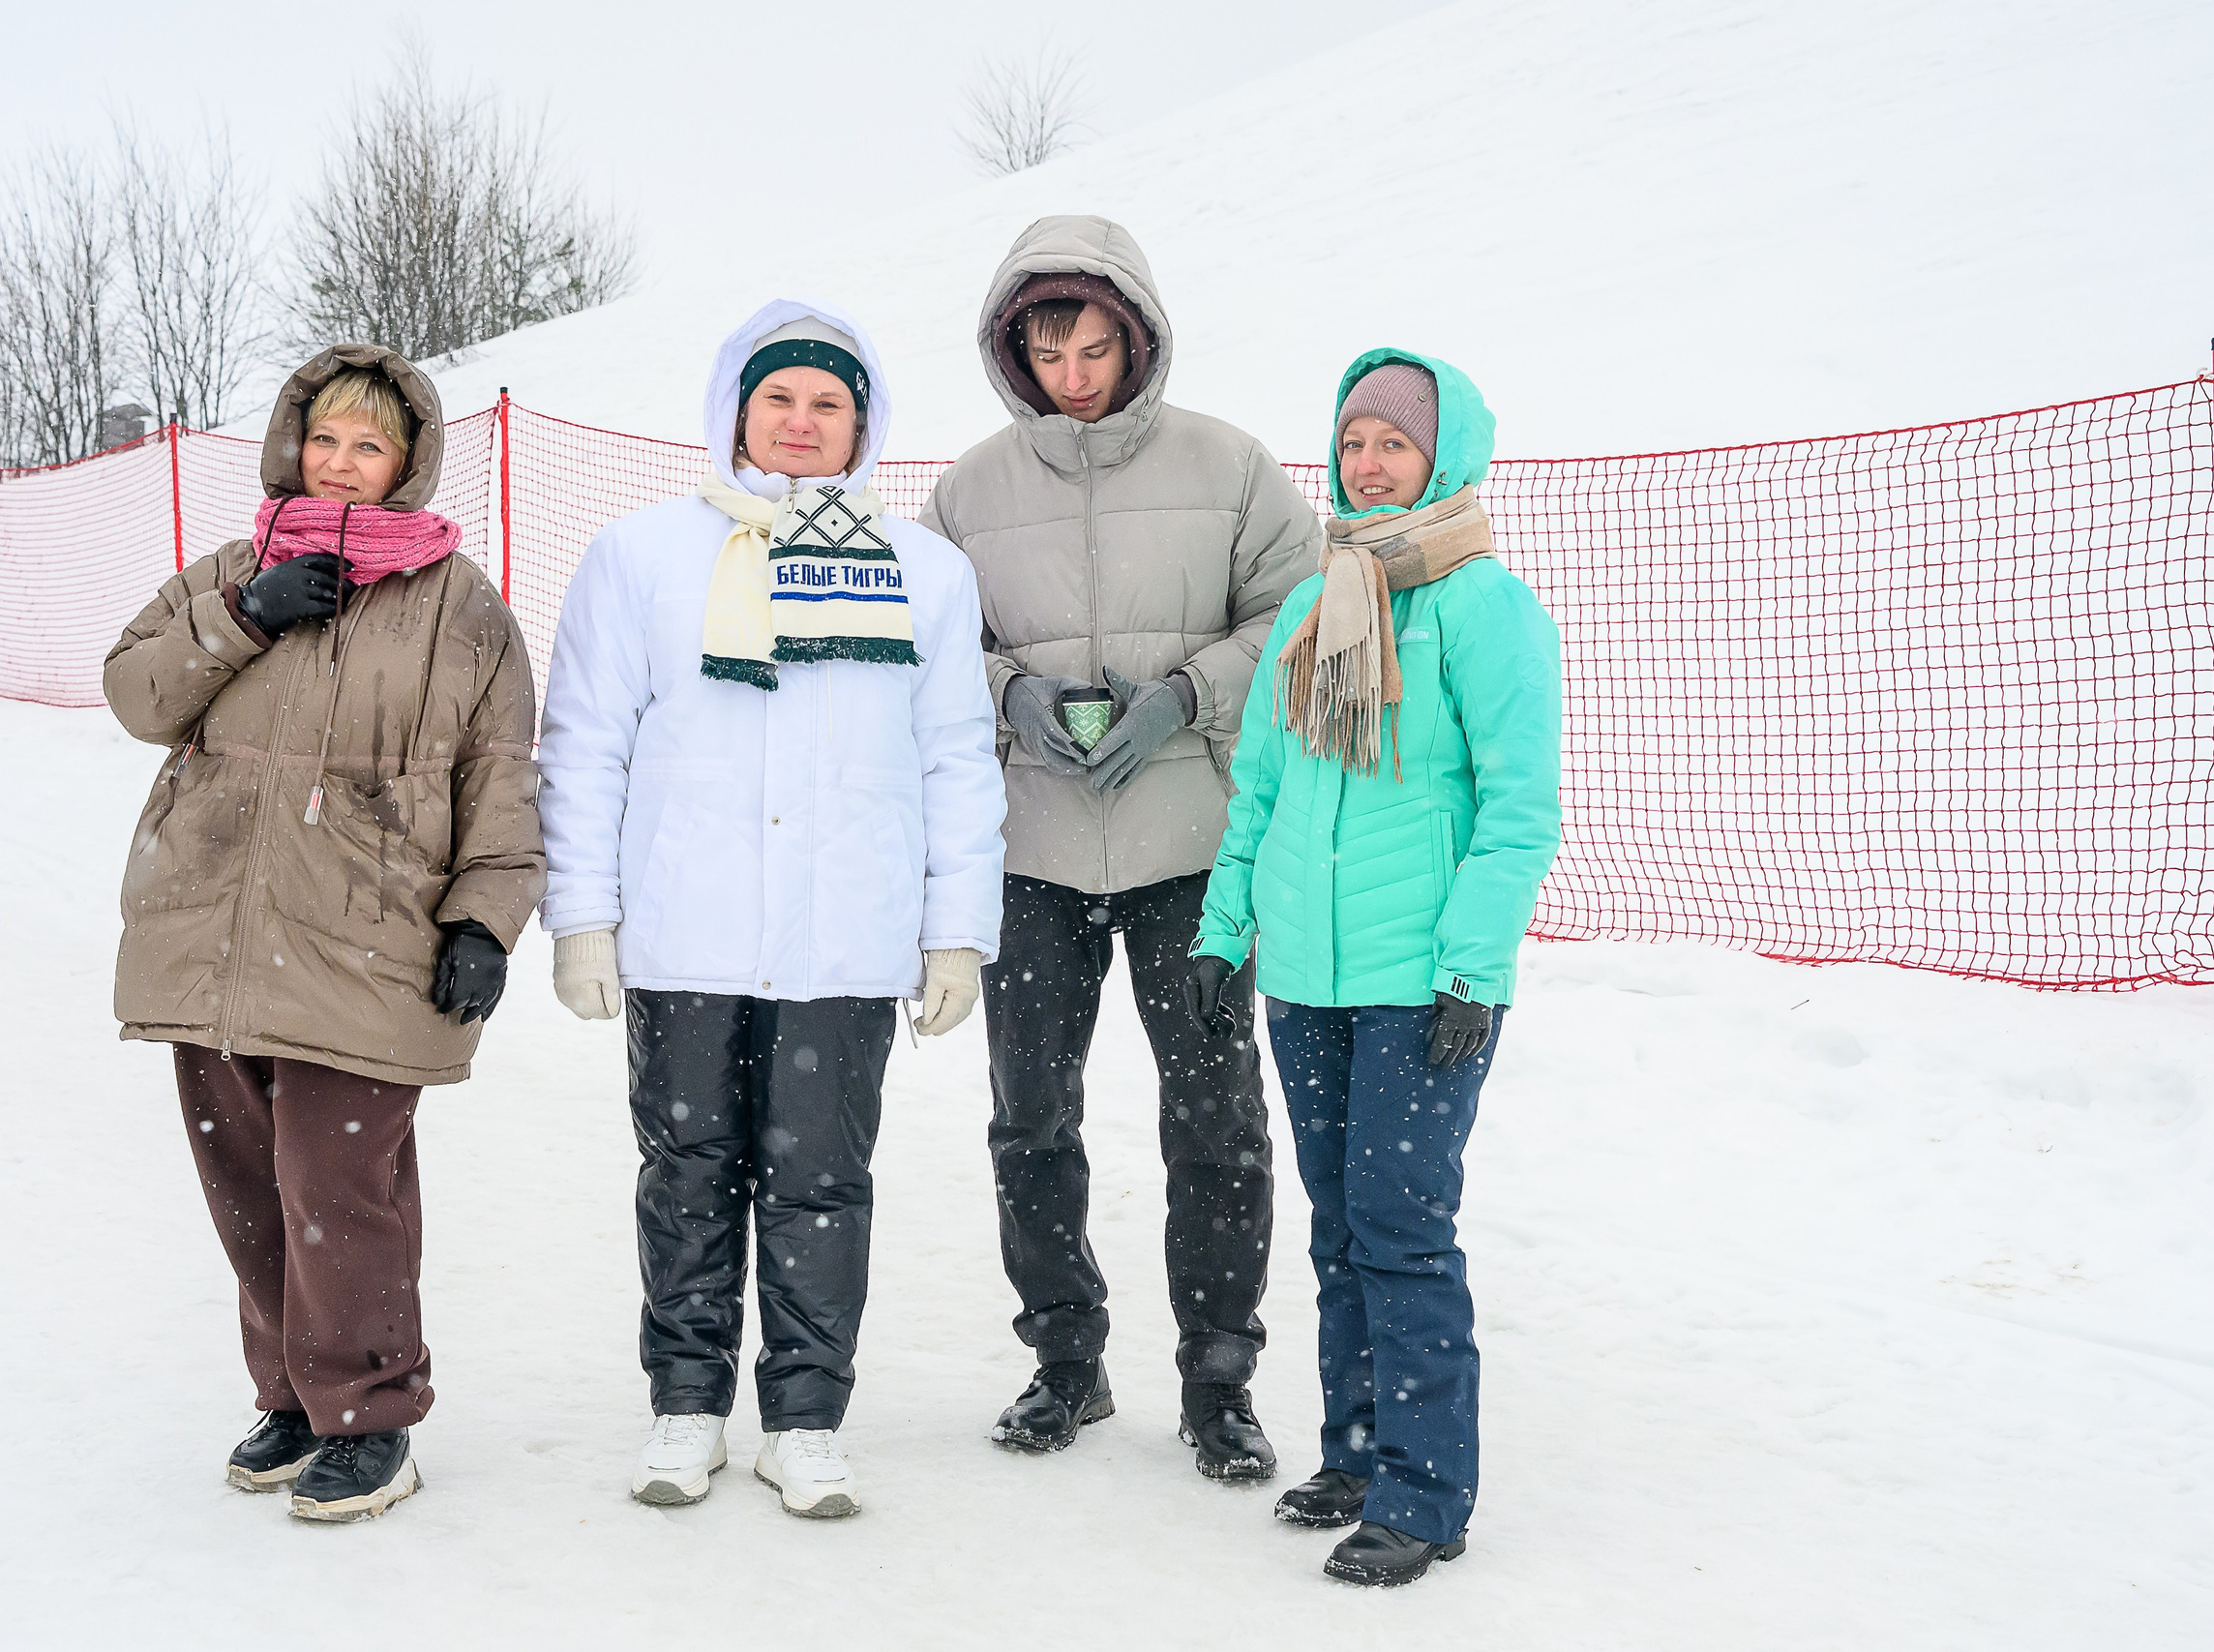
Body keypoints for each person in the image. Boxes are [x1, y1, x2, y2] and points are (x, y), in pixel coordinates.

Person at [537, 299, 1004, 1519]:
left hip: (843, 936)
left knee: (820, 1183)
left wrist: (956, 928)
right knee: (687, 1169)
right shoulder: (643, 556)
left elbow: (957, 754)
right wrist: (583, 916)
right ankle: (686, 1406)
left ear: (864, 426)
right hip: (684, 929)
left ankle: (803, 1419)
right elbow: (583, 744)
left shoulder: (925, 573)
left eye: (829, 403)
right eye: (779, 397)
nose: (802, 424)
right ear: (734, 410)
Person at [105, 345, 543, 1523]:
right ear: (293, 443)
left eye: (370, 446)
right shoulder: (231, 571)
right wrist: (244, 618)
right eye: (325, 440)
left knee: (336, 1183)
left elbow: (502, 775)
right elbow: (137, 695)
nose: (341, 466)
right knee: (246, 1182)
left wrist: (486, 918)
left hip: (368, 936)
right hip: (214, 927)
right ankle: (296, 1398)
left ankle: (374, 1416)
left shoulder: (462, 607)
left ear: (408, 466)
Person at [920, 215, 1321, 1477]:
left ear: (1138, 336)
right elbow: (925, 642)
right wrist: (1009, 695)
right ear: (1014, 348)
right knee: (1029, 1115)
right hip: (1030, 854)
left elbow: (1297, 614)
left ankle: (1218, 1377)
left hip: (1190, 856)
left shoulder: (1232, 464)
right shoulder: (969, 490)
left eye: (1098, 345)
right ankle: (1066, 1359)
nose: (1076, 373)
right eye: (1051, 348)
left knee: (1215, 1120)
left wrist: (1186, 694)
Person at [1184, 348, 1562, 1586]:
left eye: (1392, 442)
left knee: (1401, 1229)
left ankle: (1424, 1493)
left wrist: (1470, 967)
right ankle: (1353, 1454)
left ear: (1441, 455)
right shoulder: (1313, 601)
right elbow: (1261, 793)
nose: (1367, 463)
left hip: (1420, 986)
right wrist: (1224, 933)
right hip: (1307, 979)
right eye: (1352, 442)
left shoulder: (1483, 607)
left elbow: (1517, 808)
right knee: (1342, 1227)